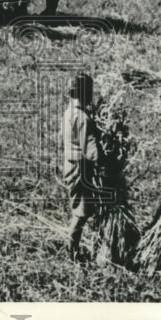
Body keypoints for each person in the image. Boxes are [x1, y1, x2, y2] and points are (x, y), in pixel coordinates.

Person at [63, 72, 101, 263]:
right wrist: (103, 162)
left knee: (80, 208)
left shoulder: (69, 112)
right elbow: (90, 148)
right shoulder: (82, 118)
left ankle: (73, 249)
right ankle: (72, 252)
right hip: (80, 169)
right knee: (82, 212)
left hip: (71, 165)